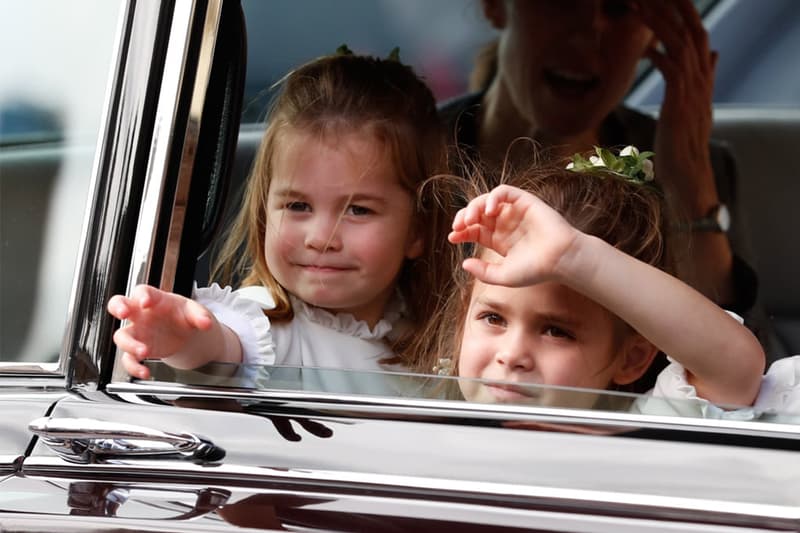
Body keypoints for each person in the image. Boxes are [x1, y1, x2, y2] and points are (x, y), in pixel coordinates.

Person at [438, 0, 779, 360]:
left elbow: (745, 380)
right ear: (496, 7)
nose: (588, 33)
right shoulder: (415, 149)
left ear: (654, 34)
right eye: (563, 4)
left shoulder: (689, 164)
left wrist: (688, 190)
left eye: (619, 8)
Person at [107, 49, 455, 381]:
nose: (321, 238)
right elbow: (222, 349)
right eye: (298, 206)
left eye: (358, 210)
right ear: (264, 211)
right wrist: (182, 338)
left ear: (417, 231)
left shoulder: (432, 333)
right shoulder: (268, 323)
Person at [428, 147, 800, 418]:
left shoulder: (646, 435)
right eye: (493, 318)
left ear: (632, 358)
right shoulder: (411, 425)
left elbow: (734, 367)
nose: (512, 355)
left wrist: (573, 257)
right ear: (463, 317)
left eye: (557, 331)